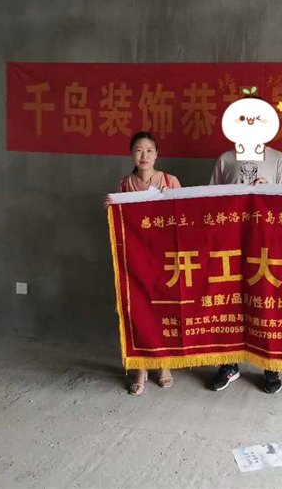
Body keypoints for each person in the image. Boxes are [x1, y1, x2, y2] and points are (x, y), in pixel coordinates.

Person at [207, 145, 282, 394]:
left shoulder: (278, 158)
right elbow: (210, 200)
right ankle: (229, 364)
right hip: (231, 242)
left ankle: (270, 365)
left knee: (266, 302)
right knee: (229, 303)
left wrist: (269, 191)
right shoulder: (225, 159)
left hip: (266, 242)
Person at [104, 131, 181, 395]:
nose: (144, 155)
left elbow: (185, 216)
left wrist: (169, 199)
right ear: (131, 154)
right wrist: (111, 206)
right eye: (138, 150)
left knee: (164, 310)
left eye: (149, 150)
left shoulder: (170, 181)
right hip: (136, 260)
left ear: (157, 154)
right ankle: (141, 367)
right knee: (138, 312)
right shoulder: (125, 184)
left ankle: (164, 365)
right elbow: (122, 222)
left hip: (165, 259)